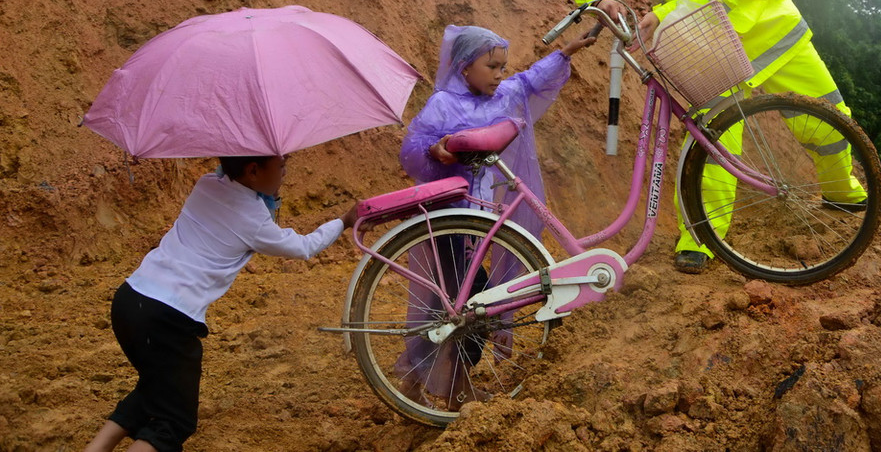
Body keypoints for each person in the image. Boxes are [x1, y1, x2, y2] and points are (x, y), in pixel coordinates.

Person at [567, 0, 865, 274]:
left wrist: (661, 13)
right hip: (710, 45)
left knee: (827, 120)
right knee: (712, 140)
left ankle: (841, 189)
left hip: (773, 33)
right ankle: (701, 238)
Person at [84, 155, 359, 452]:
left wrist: (266, 195)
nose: (285, 172)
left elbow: (232, 190)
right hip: (167, 319)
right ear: (253, 170)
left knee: (156, 388)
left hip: (130, 300)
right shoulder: (253, 220)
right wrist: (344, 221)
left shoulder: (206, 184)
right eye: (280, 166)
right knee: (174, 420)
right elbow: (303, 247)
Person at [395, 24, 595, 409]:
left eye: (503, 66)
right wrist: (436, 151)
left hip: (478, 220)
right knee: (468, 305)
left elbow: (529, 81)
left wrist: (565, 53)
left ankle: (411, 374)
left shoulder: (501, 97)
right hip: (449, 218)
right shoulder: (443, 103)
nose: (500, 74)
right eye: (492, 67)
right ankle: (454, 389)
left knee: (460, 301)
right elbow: (413, 148)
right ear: (465, 68)